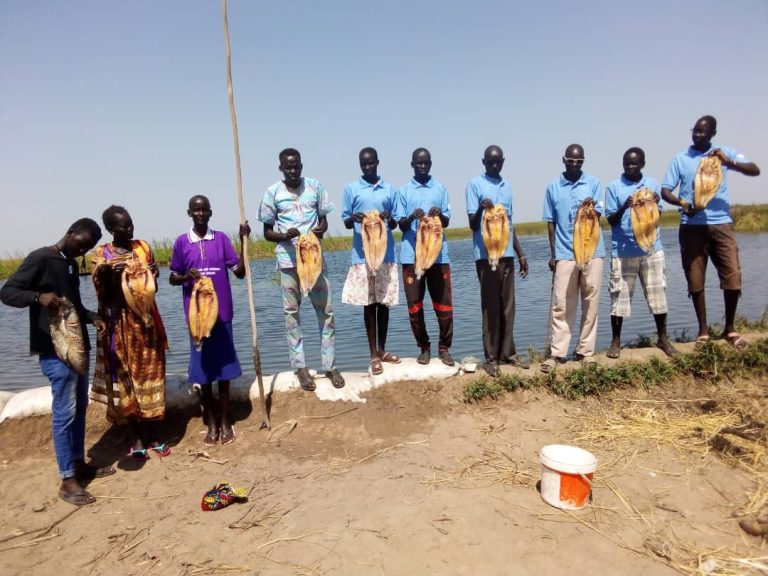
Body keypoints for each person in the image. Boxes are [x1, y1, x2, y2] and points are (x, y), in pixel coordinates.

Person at [0, 218, 115, 506]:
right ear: (71, 233)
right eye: (82, 243)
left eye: (88, 248)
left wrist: (91, 318)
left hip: (76, 349)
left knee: (79, 408)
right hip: (53, 351)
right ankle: (67, 480)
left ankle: (78, 464)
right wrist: (38, 296)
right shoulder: (41, 258)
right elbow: (7, 292)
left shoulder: (71, 265)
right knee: (64, 413)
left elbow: (72, 304)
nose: (82, 250)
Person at [661, 115, 761, 349]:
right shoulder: (681, 159)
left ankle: (730, 329)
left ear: (712, 134)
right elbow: (666, 191)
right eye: (694, 131)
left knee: (732, 277)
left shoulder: (723, 154)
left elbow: (755, 170)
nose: (696, 135)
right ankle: (703, 331)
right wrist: (683, 204)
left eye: (702, 132)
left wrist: (729, 162)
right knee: (695, 279)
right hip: (691, 226)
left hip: (722, 224)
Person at [258, 148, 345, 391]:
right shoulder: (272, 193)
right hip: (288, 263)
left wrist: (321, 230)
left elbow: (324, 220)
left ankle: (330, 366)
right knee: (292, 316)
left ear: (301, 166)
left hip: (315, 261)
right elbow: (266, 232)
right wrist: (283, 235)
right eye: (288, 167)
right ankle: (301, 368)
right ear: (281, 169)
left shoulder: (316, 187)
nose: (292, 170)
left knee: (326, 313)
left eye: (296, 166)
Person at [91, 205, 170, 460]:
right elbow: (102, 295)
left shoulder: (143, 248)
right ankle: (136, 438)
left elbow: (153, 285)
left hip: (145, 323)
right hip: (118, 326)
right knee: (127, 380)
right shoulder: (101, 255)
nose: (129, 229)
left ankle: (154, 434)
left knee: (151, 375)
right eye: (123, 226)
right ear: (111, 229)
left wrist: (140, 275)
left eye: (131, 224)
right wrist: (111, 278)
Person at [169, 195, 250, 445]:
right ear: (189, 213)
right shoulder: (183, 243)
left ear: (211, 213)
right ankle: (211, 422)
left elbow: (239, 273)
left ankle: (226, 421)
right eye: (196, 210)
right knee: (203, 372)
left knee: (224, 372)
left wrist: (242, 240)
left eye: (204, 210)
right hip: (197, 320)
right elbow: (173, 277)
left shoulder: (221, 239)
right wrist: (186, 277)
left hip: (222, 314)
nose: (201, 213)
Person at [605, 149, 678, 358]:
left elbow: (658, 214)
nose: (630, 167)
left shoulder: (652, 185)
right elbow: (610, 220)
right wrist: (624, 207)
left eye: (634, 164)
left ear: (642, 164)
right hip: (623, 251)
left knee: (658, 294)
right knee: (618, 297)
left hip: (652, 250)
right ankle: (615, 342)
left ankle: (663, 339)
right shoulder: (613, 187)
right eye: (626, 163)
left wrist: (655, 202)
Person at [465, 145, 530, 377]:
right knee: (490, 308)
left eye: (498, 161)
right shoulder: (474, 185)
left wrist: (520, 254)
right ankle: (490, 359)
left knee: (508, 308)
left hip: (507, 255)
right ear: (483, 162)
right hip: (486, 256)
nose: (494, 165)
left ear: (503, 161)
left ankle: (508, 354)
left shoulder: (507, 186)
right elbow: (472, 224)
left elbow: (509, 226)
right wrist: (480, 210)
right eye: (490, 162)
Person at [541, 144, 605, 373]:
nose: (575, 165)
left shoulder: (594, 183)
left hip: (592, 251)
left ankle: (585, 351)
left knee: (591, 302)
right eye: (571, 161)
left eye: (579, 161)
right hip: (565, 253)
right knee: (562, 304)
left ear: (584, 161)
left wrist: (591, 207)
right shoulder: (553, 187)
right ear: (564, 160)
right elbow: (550, 221)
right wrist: (553, 254)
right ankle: (557, 354)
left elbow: (598, 212)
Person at [341, 147, 401, 375]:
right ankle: (372, 354)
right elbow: (347, 221)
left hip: (386, 253)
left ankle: (383, 350)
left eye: (370, 164)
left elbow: (395, 223)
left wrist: (389, 218)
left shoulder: (389, 189)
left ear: (377, 162)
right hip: (362, 254)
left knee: (383, 303)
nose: (367, 168)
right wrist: (353, 218)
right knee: (369, 304)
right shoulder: (351, 189)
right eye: (363, 164)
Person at [395, 148, 455, 366]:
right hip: (412, 257)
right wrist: (413, 215)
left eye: (426, 163)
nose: (423, 166)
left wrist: (439, 214)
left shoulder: (440, 188)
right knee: (415, 306)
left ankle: (444, 348)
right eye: (419, 163)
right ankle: (424, 347)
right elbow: (400, 225)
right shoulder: (404, 191)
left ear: (430, 164)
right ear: (412, 164)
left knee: (443, 305)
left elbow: (446, 222)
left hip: (439, 257)